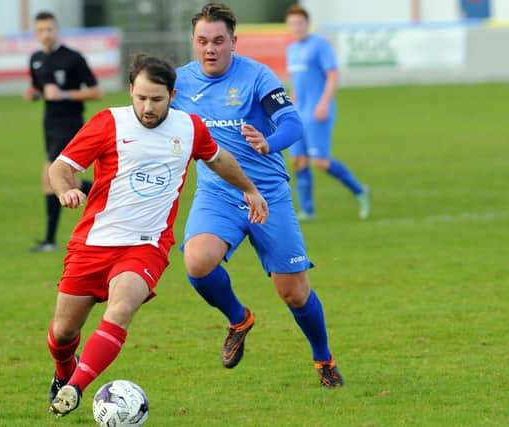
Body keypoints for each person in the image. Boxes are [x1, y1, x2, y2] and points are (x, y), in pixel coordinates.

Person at [46, 54, 268, 418]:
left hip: (145, 246)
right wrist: (66, 190)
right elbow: (61, 167)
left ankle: (76, 388)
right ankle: (63, 371)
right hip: (93, 244)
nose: (147, 108)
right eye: (141, 98)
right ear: (131, 90)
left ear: (172, 95)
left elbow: (217, 158)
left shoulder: (189, 128)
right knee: (63, 332)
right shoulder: (109, 124)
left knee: (120, 310)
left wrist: (250, 189)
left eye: (157, 99)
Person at [171, 3, 344, 388]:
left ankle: (323, 358)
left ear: (234, 41)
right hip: (218, 194)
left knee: (294, 293)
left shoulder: (256, 77)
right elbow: (149, 113)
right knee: (197, 262)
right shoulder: (179, 83)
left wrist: (269, 143)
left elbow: (292, 122)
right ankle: (238, 318)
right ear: (193, 42)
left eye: (218, 41)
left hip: (269, 196)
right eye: (202, 41)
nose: (210, 49)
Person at [23, 11, 102, 252]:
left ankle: (49, 241)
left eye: (49, 29)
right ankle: (105, 190)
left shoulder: (73, 58)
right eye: (41, 30)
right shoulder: (36, 59)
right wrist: (34, 94)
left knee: (50, 176)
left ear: (57, 30)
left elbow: (96, 92)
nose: (46, 34)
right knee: (68, 181)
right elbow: (39, 88)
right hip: (49, 124)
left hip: (70, 123)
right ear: (36, 33)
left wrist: (65, 94)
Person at [285, 4, 370, 221]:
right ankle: (307, 211)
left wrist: (324, 102)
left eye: (300, 23)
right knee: (298, 161)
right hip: (298, 112)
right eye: (293, 24)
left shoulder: (319, 45)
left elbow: (332, 75)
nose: (297, 27)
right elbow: (299, 81)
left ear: (307, 24)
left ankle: (359, 190)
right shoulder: (291, 49)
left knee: (320, 161)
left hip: (317, 112)